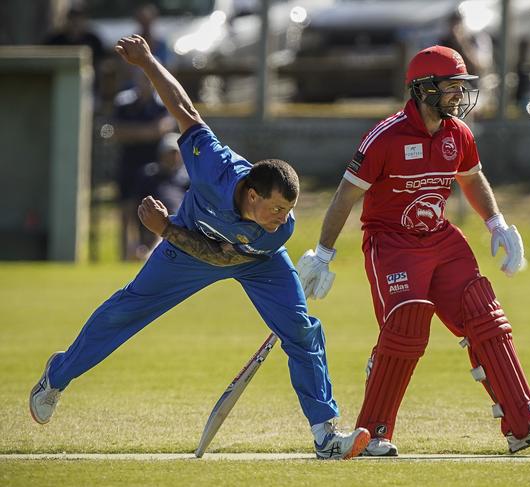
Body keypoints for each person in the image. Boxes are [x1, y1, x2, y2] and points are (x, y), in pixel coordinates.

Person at [29, 34, 370, 460]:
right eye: (277, 207)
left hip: (253, 260)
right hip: (187, 249)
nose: (284, 217)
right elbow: (184, 109)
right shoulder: (213, 165)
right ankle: (56, 377)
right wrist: (149, 61)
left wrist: (164, 229)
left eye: (289, 210)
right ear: (251, 195)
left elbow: (225, 257)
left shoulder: (278, 231)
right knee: (128, 309)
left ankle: (325, 434)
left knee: (302, 331)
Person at [296, 46, 530, 457]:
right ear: (423, 89)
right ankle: (374, 432)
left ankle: (522, 422)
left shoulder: (458, 133)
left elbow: (472, 179)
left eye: (461, 87)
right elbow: (345, 196)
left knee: (485, 315)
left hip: (440, 238)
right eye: (450, 88)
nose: (459, 96)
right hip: (391, 243)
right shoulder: (385, 137)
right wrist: (323, 253)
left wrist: (497, 224)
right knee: (406, 325)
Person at [112, 71, 176, 260]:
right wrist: (148, 131)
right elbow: (115, 131)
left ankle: (151, 255)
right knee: (127, 212)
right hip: (128, 166)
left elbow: (163, 128)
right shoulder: (124, 103)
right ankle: (125, 256)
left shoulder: (161, 104)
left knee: (152, 212)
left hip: (153, 170)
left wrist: (133, 132)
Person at [134, 132, 190, 259]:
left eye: (176, 154)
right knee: (160, 224)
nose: (173, 158)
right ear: (161, 154)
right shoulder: (150, 176)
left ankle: (152, 253)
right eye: (169, 153)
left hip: (181, 220)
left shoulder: (187, 178)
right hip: (156, 218)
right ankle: (152, 251)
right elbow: (137, 204)